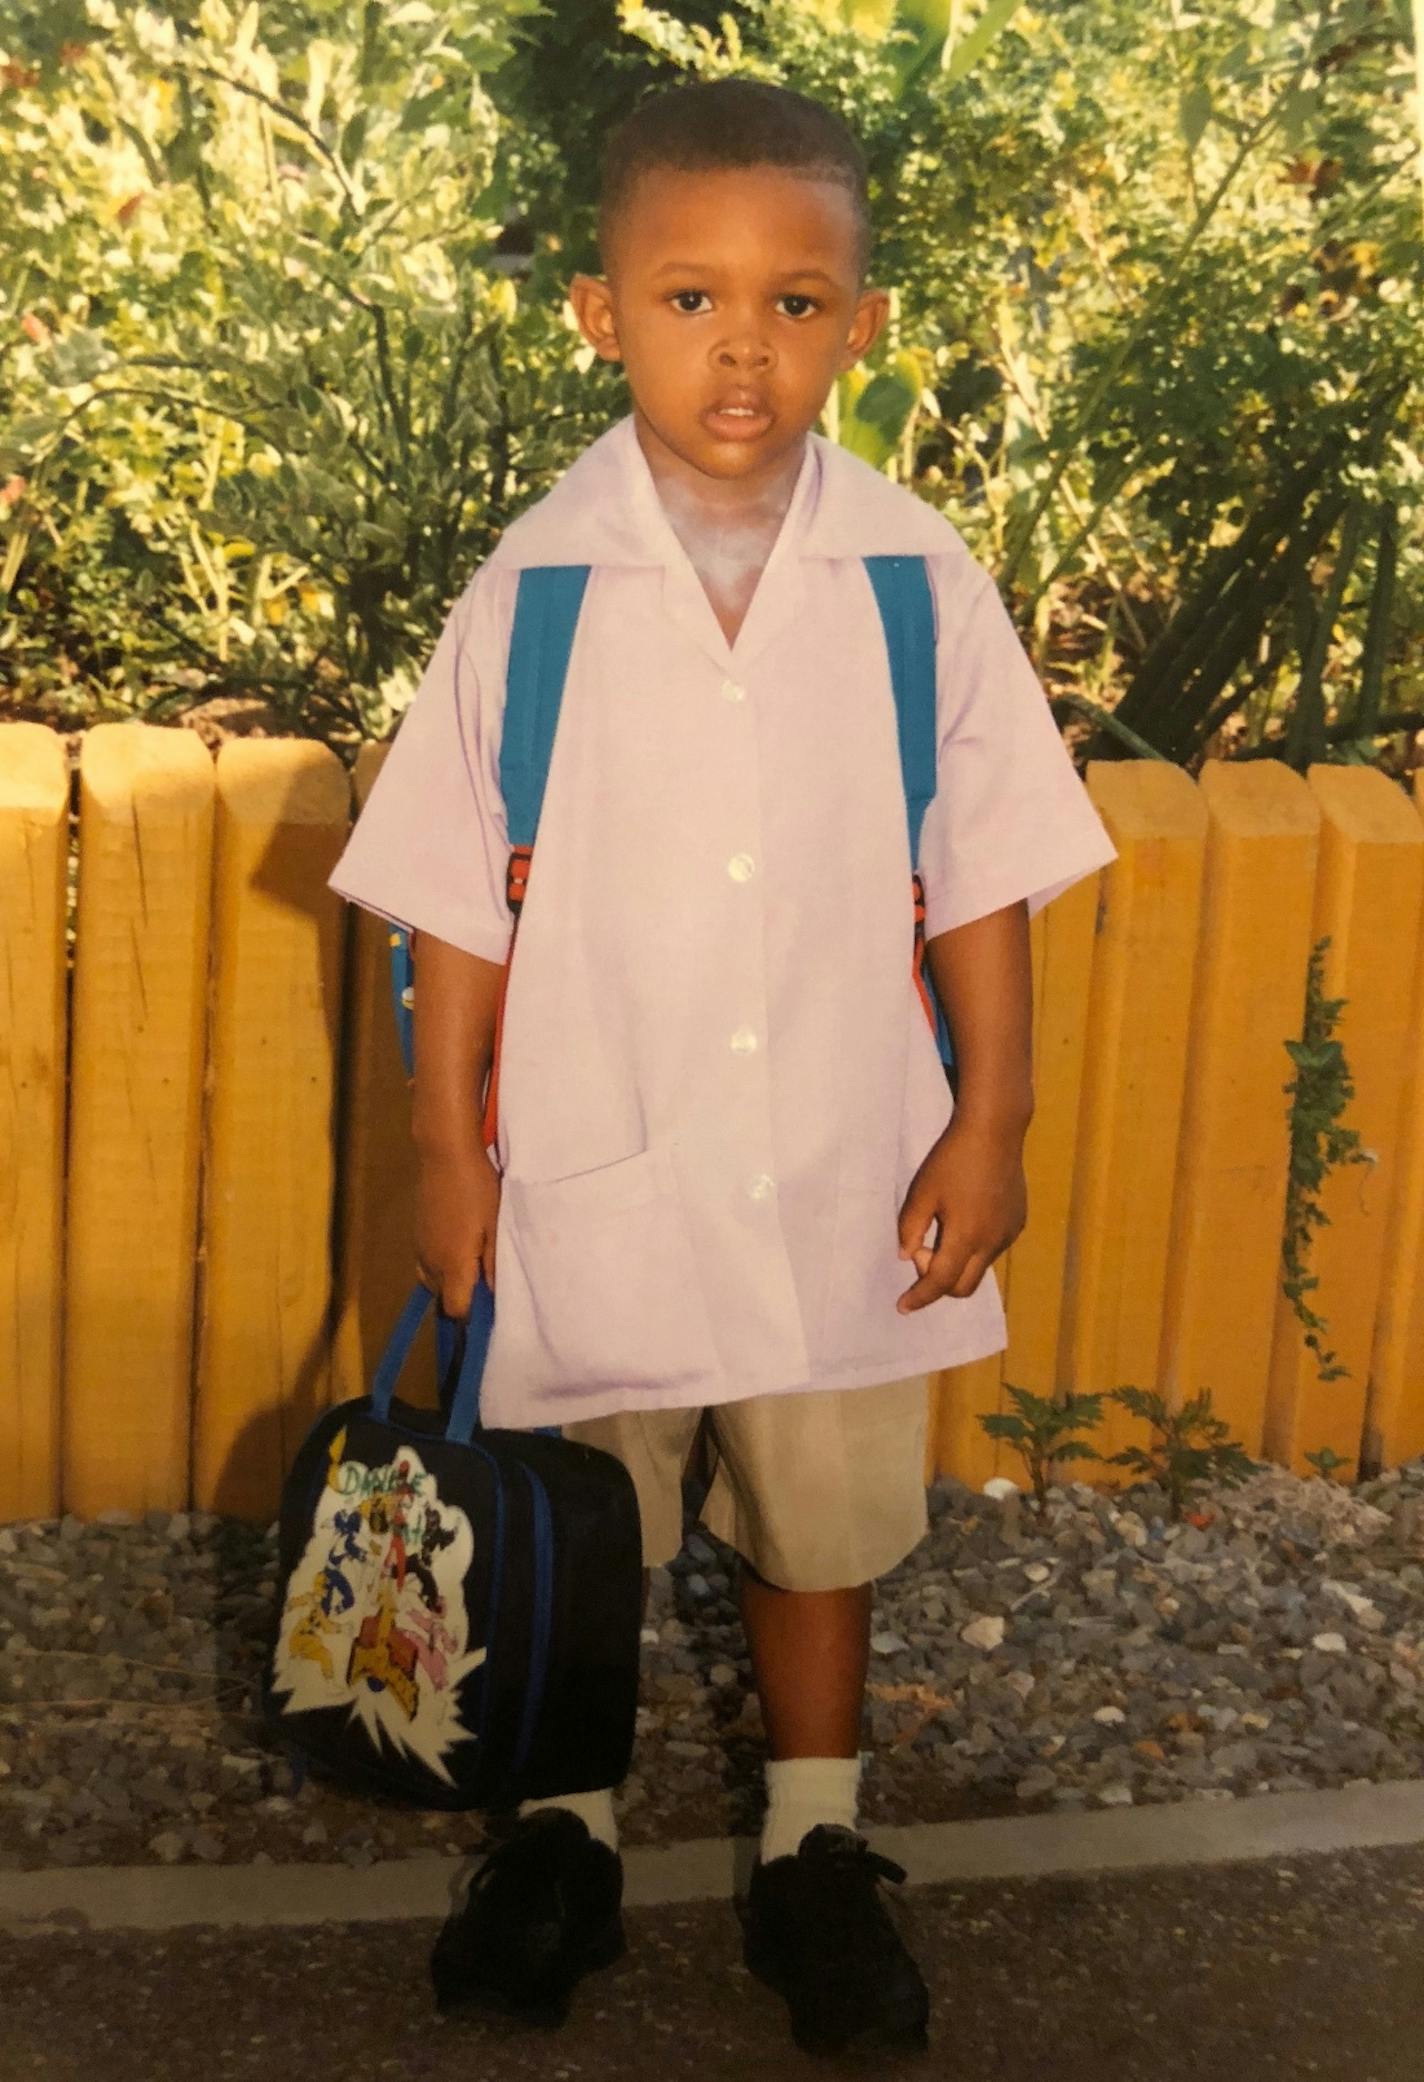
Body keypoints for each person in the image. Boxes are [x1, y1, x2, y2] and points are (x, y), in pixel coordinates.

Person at [327, 76, 1117, 2058]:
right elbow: (448, 900)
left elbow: (986, 879)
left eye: (795, 299)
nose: (742, 344)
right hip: (588, 1161)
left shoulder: (921, 583)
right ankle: (563, 1835)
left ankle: (817, 1846)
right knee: (582, 1528)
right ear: (601, 313)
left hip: (845, 1159)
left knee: (821, 1525)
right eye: (691, 297)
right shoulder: (537, 590)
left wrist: (993, 1117)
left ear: (861, 317)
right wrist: (446, 1149)